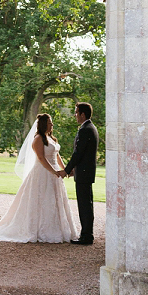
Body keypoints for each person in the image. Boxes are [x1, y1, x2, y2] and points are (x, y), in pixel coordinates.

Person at [0, 113, 79, 243]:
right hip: (43, 174)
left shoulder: (51, 138)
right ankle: (40, 230)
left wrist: (64, 169)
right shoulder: (38, 139)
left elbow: (57, 155)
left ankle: (57, 230)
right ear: (43, 124)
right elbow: (41, 158)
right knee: (42, 200)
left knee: (55, 201)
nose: (52, 125)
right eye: (49, 123)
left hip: (54, 175)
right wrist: (54, 171)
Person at [60, 101, 98, 245]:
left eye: (76, 112)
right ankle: (87, 234)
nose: (75, 115)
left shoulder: (85, 129)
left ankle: (86, 236)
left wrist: (67, 170)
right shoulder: (91, 128)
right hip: (85, 171)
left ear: (82, 114)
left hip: (83, 172)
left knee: (84, 205)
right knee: (87, 204)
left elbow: (78, 153)